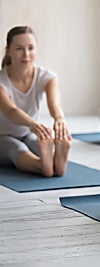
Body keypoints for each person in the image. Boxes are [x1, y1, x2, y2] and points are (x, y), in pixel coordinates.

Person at [0, 26, 70, 177]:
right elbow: (11, 111)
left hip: (28, 134)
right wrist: (33, 124)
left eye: (30, 48)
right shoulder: (2, 81)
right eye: (19, 48)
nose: (26, 54)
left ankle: (51, 162)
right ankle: (46, 165)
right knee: (16, 149)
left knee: (41, 144)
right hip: (2, 136)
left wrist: (59, 119)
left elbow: (54, 103)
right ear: (8, 51)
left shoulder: (47, 77)